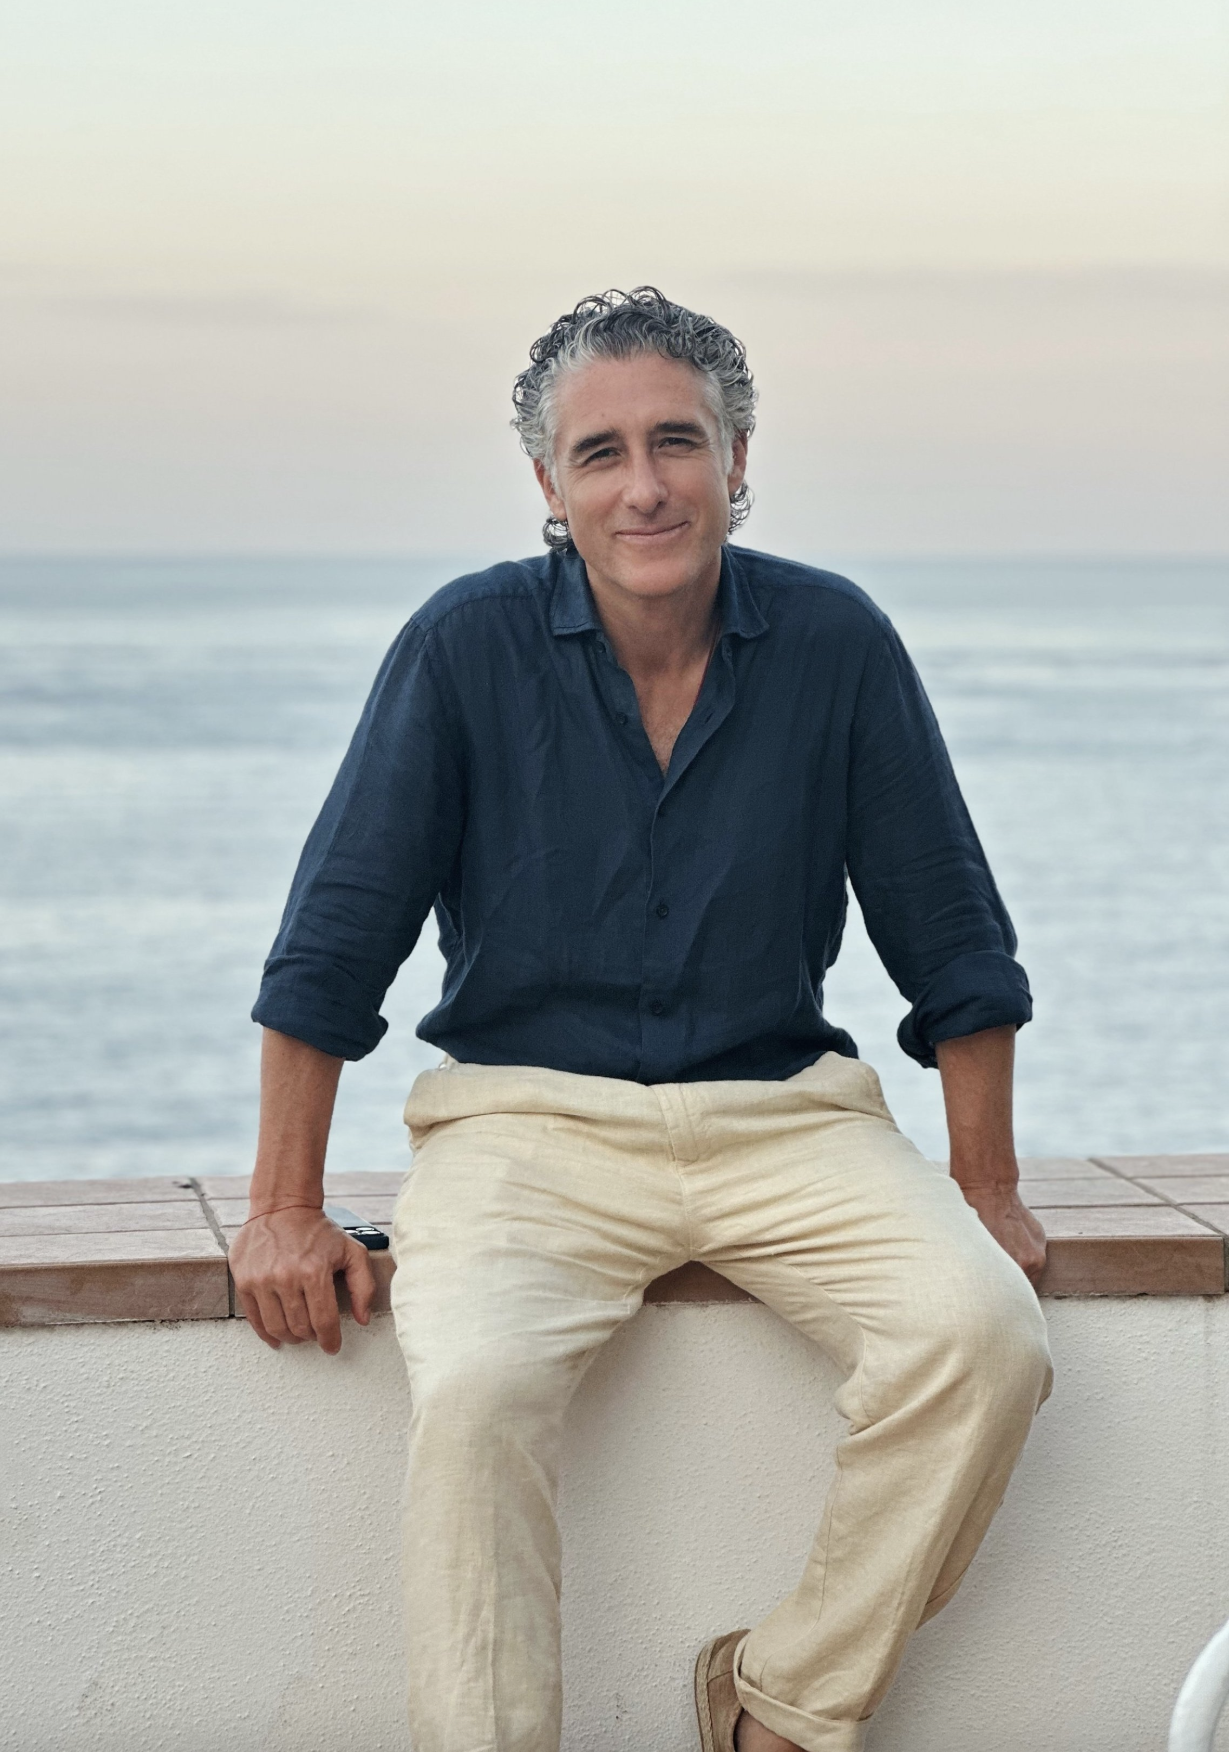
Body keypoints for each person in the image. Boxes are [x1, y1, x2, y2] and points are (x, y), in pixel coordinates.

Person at [230, 286, 1053, 1752]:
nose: (645, 486)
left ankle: (782, 1701)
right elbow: (334, 943)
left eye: (677, 441)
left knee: (986, 1339)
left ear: (737, 459)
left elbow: (951, 937)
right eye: (599, 453)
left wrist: (983, 1187)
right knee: (476, 1391)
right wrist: (283, 1210)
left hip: (784, 1119)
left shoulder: (836, 641)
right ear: (549, 486)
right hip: (523, 1125)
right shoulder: (463, 646)